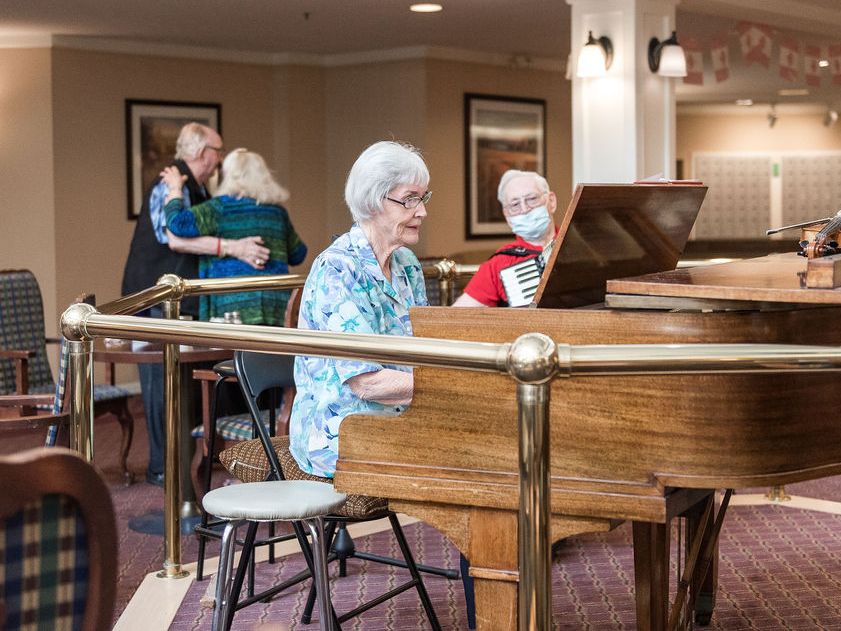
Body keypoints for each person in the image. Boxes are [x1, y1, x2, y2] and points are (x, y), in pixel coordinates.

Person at [120, 122, 270, 487]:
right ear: (203, 153)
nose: (220, 157)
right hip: (154, 297)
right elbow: (175, 238)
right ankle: (162, 468)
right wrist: (234, 248)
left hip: (182, 299)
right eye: (218, 150)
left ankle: (188, 461)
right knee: (161, 383)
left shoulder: (198, 188)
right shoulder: (168, 186)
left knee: (184, 382)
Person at [291, 141, 431, 478]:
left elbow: (427, 349)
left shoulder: (406, 263)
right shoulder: (337, 270)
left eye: (423, 198)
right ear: (372, 201)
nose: (422, 211)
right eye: (409, 199)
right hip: (340, 432)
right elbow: (367, 384)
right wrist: (452, 383)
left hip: (402, 417)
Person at [161, 148, 307, 325]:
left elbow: (178, 223)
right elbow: (298, 254)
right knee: (272, 352)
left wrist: (175, 188)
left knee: (235, 353)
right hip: (276, 305)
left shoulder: (220, 208)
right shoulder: (277, 213)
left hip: (232, 305)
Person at [452, 169, 558, 307]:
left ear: (551, 201)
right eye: (515, 205)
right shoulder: (498, 265)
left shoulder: (581, 245)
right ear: (507, 216)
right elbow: (457, 316)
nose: (525, 209)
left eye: (532, 199)